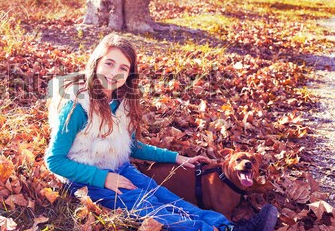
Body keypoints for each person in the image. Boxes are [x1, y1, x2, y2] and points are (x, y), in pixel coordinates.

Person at [44, 33, 278, 231]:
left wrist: (178, 158)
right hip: (85, 177)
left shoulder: (122, 101)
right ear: (96, 62)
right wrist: (104, 178)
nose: (114, 72)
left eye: (123, 68)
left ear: (129, 74)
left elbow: (132, 147)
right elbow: (54, 161)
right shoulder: (77, 106)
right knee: (145, 204)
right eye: (109, 63)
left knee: (164, 196)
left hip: (118, 166)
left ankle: (227, 226)